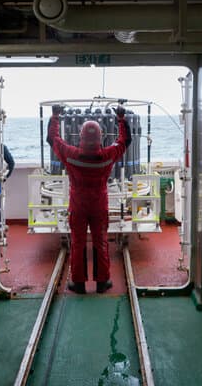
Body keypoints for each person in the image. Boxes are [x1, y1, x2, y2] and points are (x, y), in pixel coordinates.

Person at [47, 104, 131, 293]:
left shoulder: (71, 155)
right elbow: (125, 141)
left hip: (78, 206)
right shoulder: (108, 155)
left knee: (77, 243)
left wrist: (55, 116)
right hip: (99, 205)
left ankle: (78, 283)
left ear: (81, 137)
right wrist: (121, 119)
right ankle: (102, 283)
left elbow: (52, 139)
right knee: (100, 241)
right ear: (100, 136)